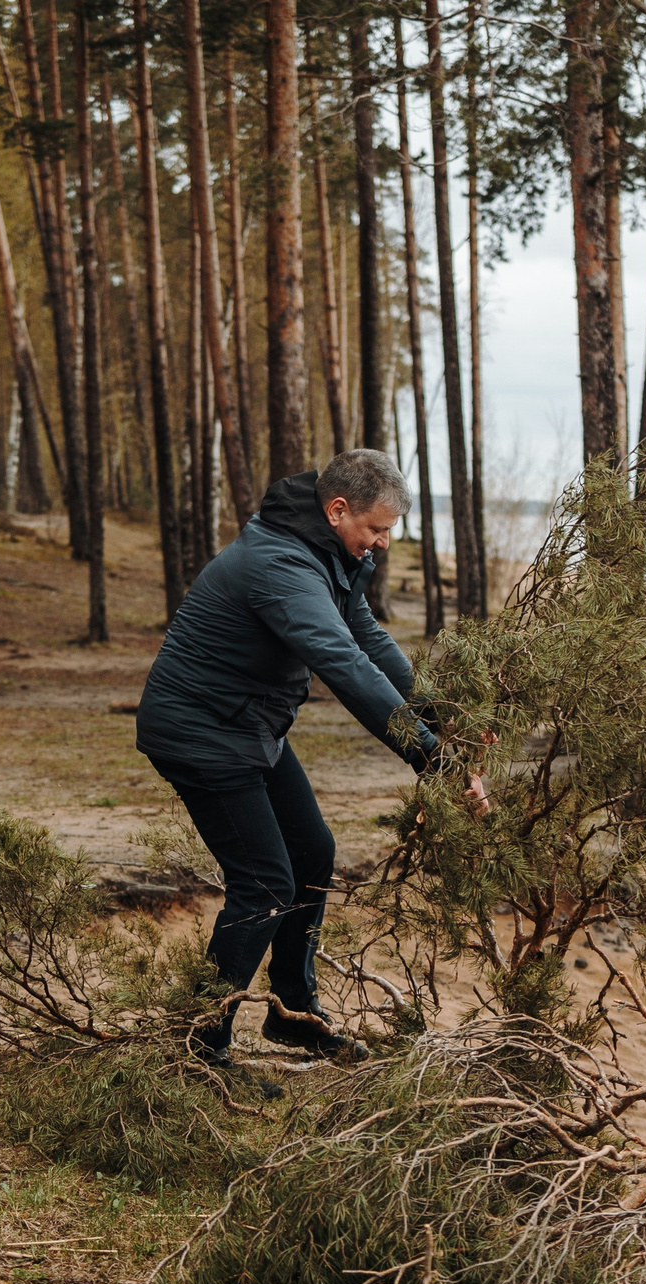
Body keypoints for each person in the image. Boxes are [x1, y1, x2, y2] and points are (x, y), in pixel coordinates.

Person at [135, 448, 464, 1067]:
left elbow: (365, 636)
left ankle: (292, 1015)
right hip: (200, 732)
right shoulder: (280, 563)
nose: (384, 543)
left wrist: (440, 716)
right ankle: (196, 1049)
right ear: (337, 510)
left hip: (250, 728)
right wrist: (429, 760)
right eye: (377, 529)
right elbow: (342, 664)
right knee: (262, 885)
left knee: (313, 853)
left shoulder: (332, 552)